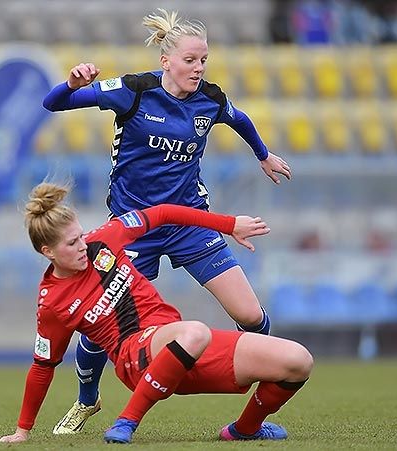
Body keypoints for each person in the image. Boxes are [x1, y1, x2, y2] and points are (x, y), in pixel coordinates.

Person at [41, 8, 292, 434]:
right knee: (101, 319)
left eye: (203, 60)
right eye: (191, 60)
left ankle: (253, 414)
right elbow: (53, 104)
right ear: (166, 61)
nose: (198, 68)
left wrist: (263, 154)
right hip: (134, 225)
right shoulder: (133, 91)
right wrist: (72, 83)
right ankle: (87, 399)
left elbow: (241, 119)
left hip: (190, 222)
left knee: (251, 315)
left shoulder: (209, 99)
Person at [0, 182, 312, 444]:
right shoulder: (52, 303)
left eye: (81, 236)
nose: (82, 245)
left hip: (178, 344)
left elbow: (163, 213)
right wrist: (23, 430)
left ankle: (245, 429)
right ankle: (126, 421)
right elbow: (43, 366)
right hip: (135, 357)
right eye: (72, 243)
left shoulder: (105, 239)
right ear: (48, 252)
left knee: (298, 361)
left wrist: (228, 225)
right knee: (195, 331)